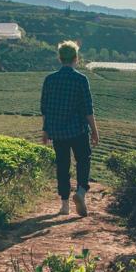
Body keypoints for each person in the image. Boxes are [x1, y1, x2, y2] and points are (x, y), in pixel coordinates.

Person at [40, 40, 99, 217]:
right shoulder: (81, 79)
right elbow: (87, 108)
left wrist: (45, 130)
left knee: (62, 166)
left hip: (58, 132)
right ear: (76, 58)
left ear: (60, 58)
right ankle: (81, 191)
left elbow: (45, 108)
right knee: (83, 160)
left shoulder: (50, 80)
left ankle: (65, 205)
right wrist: (95, 131)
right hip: (78, 130)